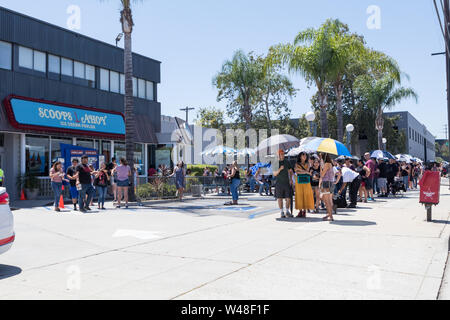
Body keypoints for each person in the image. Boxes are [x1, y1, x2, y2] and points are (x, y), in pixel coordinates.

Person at [274, 150, 293, 219]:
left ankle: (287, 211)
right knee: (280, 198)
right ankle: (281, 212)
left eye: (283, 154)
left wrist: (291, 179)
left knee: (288, 198)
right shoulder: (275, 163)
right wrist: (279, 169)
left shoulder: (287, 162)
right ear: (278, 155)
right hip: (279, 183)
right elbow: (275, 174)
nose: (282, 155)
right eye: (280, 154)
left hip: (286, 182)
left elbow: (290, 171)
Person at [295, 152, 314, 218]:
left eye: (305, 155)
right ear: (300, 156)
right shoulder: (297, 163)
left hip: (306, 181)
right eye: (303, 155)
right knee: (300, 195)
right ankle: (300, 211)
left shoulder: (308, 163)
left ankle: (304, 211)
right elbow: (296, 171)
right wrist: (305, 172)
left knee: (306, 195)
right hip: (299, 181)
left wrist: (301, 171)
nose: (304, 156)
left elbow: (307, 170)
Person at [319, 153, 335, 221]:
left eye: (320, 156)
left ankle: (330, 216)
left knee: (327, 201)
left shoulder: (326, 164)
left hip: (326, 183)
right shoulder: (330, 163)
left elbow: (322, 174)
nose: (320, 158)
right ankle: (329, 214)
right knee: (327, 199)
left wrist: (321, 167)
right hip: (330, 182)